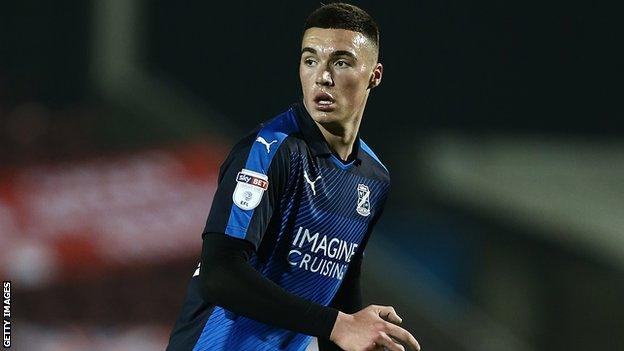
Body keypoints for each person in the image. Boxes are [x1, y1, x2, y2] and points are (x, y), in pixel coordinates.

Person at [166, 3, 421, 351]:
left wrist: (356, 332)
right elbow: (219, 274)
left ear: (374, 75)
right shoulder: (270, 150)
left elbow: (341, 291)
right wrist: (337, 324)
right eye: (310, 59)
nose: (323, 76)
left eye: (341, 62)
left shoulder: (374, 179)